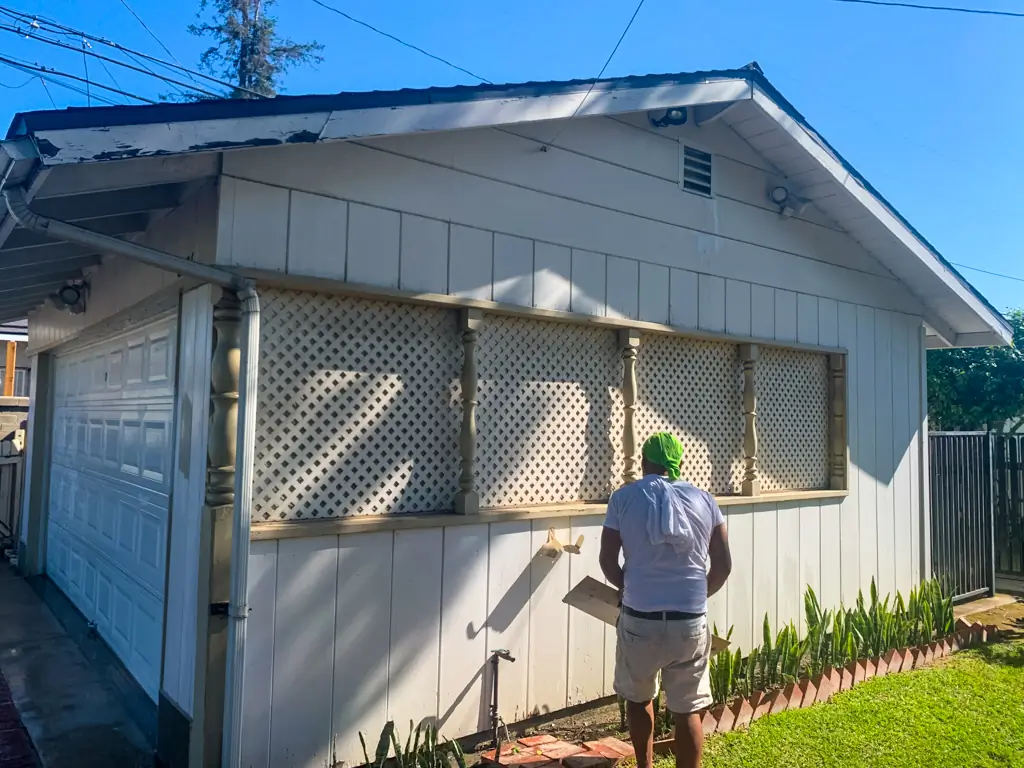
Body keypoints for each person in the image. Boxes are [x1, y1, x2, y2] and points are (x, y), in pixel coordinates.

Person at [599, 432, 732, 768]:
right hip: (688, 622)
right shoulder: (705, 500)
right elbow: (724, 564)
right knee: (687, 708)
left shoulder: (623, 498)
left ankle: (645, 766)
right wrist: (699, 595)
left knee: (639, 697)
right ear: (679, 463)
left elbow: (606, 559)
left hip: (639, 619)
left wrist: (626, 588)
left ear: (644, 463)